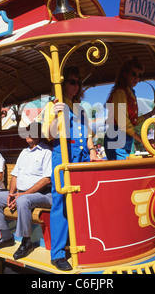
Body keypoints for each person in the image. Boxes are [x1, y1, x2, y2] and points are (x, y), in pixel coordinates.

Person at [42, 66, 98, 271]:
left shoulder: (80, 108)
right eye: (72, 82)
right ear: (62, 84)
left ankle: (82, 244)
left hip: (81, 157)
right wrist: (57, 116)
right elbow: (47, 134)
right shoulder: (53, 105)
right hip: (63, 156)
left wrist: (92, 150)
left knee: (82, 202)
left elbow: (88, 133)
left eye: (78, 83)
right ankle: (57, 254)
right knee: (61, 204)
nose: (76, 86)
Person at [0, 122, 52, 260]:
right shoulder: (24, 152)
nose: (27, 134)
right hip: (21, 193)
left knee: (22, 200)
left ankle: (26, 241)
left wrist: (22, 194)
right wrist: (11, 193)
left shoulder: (47, 152)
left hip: (42, 195)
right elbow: (15, 175)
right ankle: (6, 236)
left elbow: (47, 179)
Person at [104, 57, 155, 160]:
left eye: (139, 75)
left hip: (124, 137)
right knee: (122, 170)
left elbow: (133, 121)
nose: (137, 78)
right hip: (116, 136)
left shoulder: (130, 93)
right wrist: (144, 141)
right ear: (125, 74)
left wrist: (151, 113)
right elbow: (124, 124)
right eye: (134, 74)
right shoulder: (120, 93)